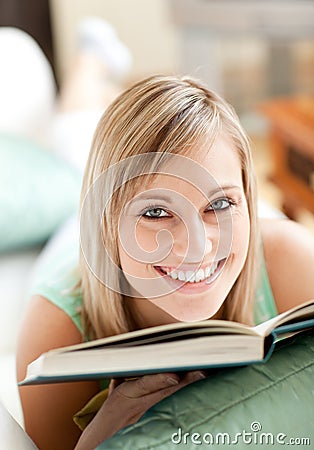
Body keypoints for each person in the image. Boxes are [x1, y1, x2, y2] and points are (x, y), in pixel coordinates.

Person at [16, 75, 314, 450]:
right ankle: (91, 65)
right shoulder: (55, 328)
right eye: (156, 211)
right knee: (75, 138)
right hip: (75, 245)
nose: (198, 248)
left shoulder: (293, 259)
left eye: (220, 204)